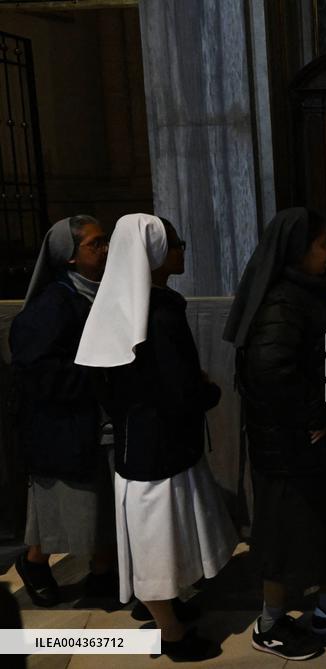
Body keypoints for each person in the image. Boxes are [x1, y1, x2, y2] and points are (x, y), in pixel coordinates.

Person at [75, 214, 238, 662]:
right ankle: (171, 634)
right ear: (153, 252)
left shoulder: (128, 303)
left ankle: (166, 606)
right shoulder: (158, 311)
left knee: (163, 538)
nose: (182, 250)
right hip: (157, 449)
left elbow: (106, 381)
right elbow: (178, 387)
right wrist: (208, 391)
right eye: (175, 243)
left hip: (146, 442)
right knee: (156, 544)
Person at [224, 208, 326, 661]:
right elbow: (271, 370)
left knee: (324, 526)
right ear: (298, 250)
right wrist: (315, 417)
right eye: (323, 244)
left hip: (313, 444)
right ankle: (270, 622)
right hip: (292, 448)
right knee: (286, 537)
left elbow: (321, 357)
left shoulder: (302, 292)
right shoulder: (283, 300)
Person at [10, 216, 115, 607]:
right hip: (66, 424)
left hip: (98, 418)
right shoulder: (53, 303)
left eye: (105, 241)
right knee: (70, 508)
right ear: (68, 257)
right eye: (95, 243)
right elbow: (36, 370)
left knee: (101, 503)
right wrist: (95, 368)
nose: (104, 249)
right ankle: (35, 562)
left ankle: (102, 574)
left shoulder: (100, 292)